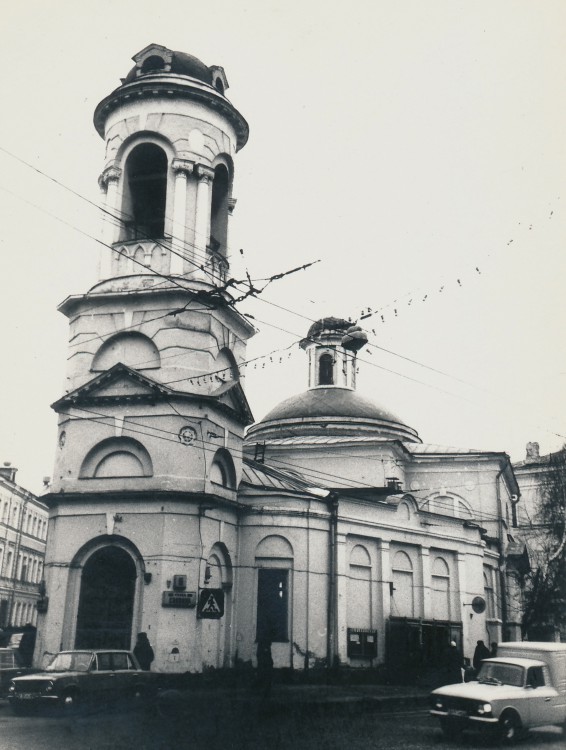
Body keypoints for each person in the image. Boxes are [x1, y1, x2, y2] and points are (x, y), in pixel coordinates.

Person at [256, 635, 274, 700]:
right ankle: (265, 692)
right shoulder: (264, 646)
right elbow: (266, 655)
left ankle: (265, 692)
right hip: (265, 665)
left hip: (265, 664)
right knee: (266, 678)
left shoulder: (264, 646)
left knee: (265, 678)